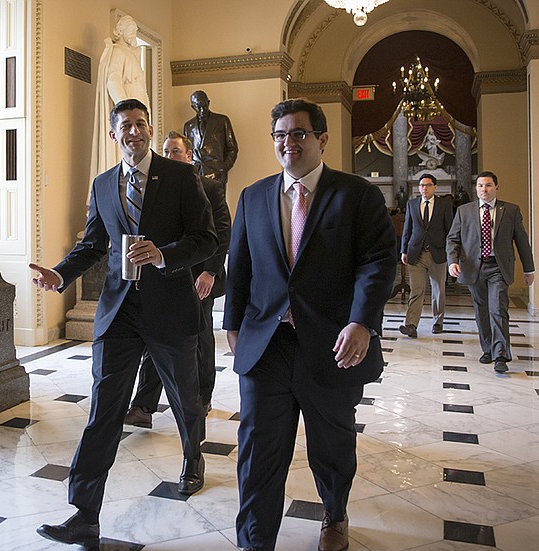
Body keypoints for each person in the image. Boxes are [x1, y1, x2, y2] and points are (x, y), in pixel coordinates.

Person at [30, 99, 217, 547]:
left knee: (185, 399)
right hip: (119, 313)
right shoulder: (102, 184)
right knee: (103, 410)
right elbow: (95, 243)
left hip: (170, 308)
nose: (134, 132)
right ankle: (84, 513)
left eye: (140, 125)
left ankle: (194, 460)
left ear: (149, 130)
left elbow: (206, 239)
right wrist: (61, 273)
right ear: (113, 135)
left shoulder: (180, 177)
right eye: (125, 127)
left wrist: (164, 255)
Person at [223, 98, 397, 551]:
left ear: (321, 139)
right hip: (268, 345)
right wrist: (233, 324)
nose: (288, 143)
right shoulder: (254, 196)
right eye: (280, 135)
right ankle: (255, 541)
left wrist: (362, 321)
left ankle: (334, 513)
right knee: (258, 451)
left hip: (333, 344)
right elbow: (239, 266)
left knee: (332, 447)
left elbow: (377, 263)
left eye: (298, 133)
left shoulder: (356, 194)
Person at [124, 131, 232, 429]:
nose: (169, 156)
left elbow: (221, 234)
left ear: (189, 156)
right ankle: (144, 406)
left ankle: (202, 397)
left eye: (175, 151)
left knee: (198, 337)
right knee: (156, 340)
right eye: (166, 151)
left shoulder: (210, 188)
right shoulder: (155, 185)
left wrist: (210, 272)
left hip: (199, 276)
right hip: (164, 274)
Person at [447, 171, 534, 374]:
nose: (483, 189)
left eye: (488, 185)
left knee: (498, 309)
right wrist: (452, 261)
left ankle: (501, 354)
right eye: (480, 186)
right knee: (482, 310)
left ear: (496, 187)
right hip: (474, 268)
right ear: (475, 188)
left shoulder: (510, 210)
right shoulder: (464, 211)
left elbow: (522, 241)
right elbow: (453, 239)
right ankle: (488, 349)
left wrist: (529, 269)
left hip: (498, 267)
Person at [90, 15, 152, 186]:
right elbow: (113, 81)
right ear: (120, 32)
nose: (133, 33)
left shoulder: (131, 55)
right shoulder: (118, 52)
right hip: (129, 113)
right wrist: (127, 114)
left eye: (135, 31)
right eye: (130, 30)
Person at [398, 174, 454, 338]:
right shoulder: (412, 204)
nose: (424, 188)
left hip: (438, 252)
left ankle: (438, 321)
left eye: (428, 185)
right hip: (416, 253)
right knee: (416, 290)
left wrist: (451, 254)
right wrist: (404, 250)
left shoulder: (444, 205)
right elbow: (407, 229)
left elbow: (450, 230)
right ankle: (411, 324)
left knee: (438, 290)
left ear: (435, 187)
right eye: (422, 185)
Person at [183, 90, 239, 189]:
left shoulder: (222, 121)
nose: (202, 110)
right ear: (193, 107)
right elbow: (186, 151)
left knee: (217, 204)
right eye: (198, 107)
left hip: (217, 175)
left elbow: (232, 148)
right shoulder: (188, 126)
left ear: (208, 102)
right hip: (196, 174)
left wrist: (224, 167)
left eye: (204, 106)